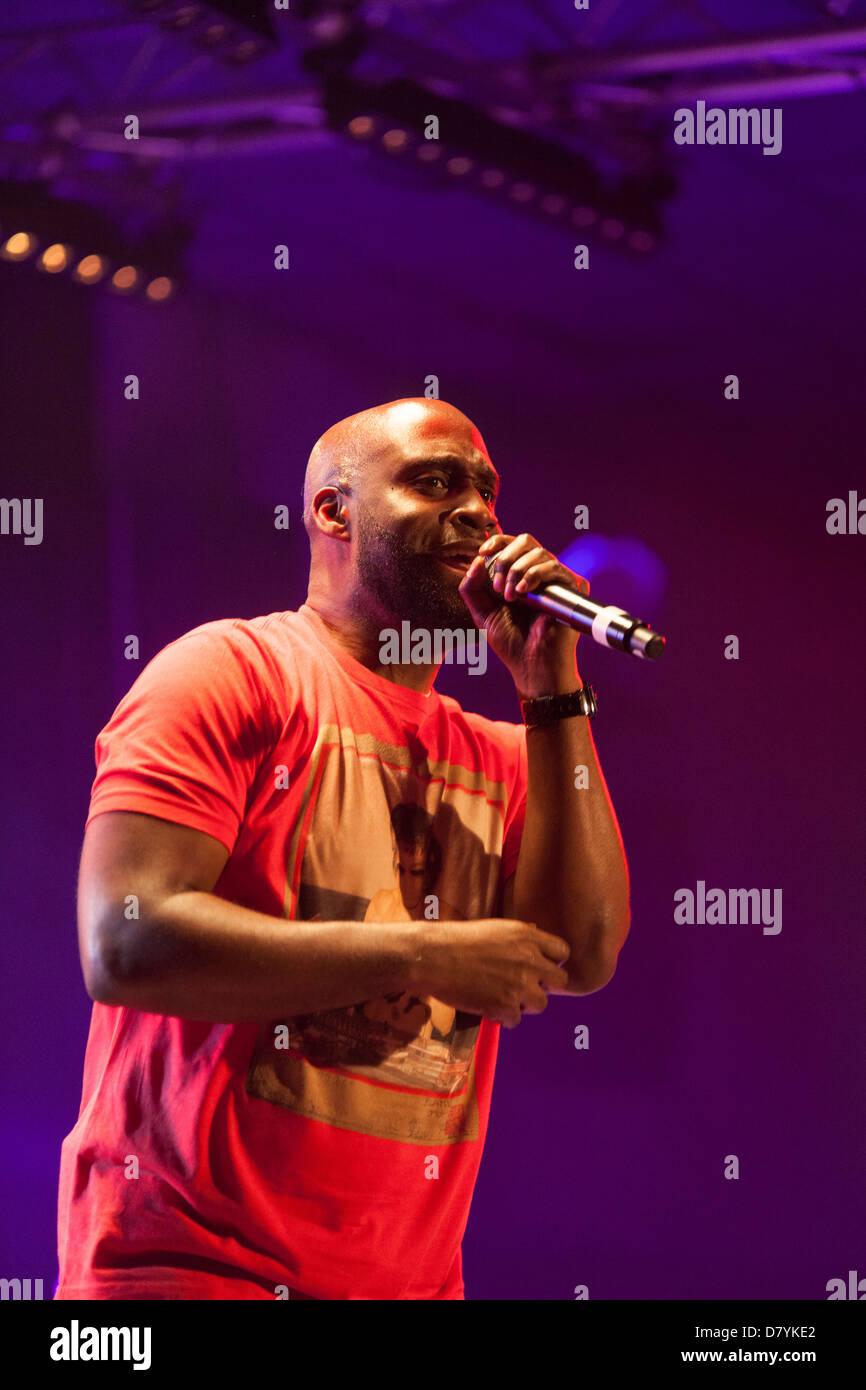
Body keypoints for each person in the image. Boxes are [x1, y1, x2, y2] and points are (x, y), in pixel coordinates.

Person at [55, 397, 631, 1301]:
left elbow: (584, 954)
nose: (478, 512)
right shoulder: (230, 672)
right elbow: (126, 942)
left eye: (486, 490)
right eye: (434, 483)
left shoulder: (508, 756)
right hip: (192, 1272)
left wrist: (553, 689)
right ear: (334, 512)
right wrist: (419, 951)